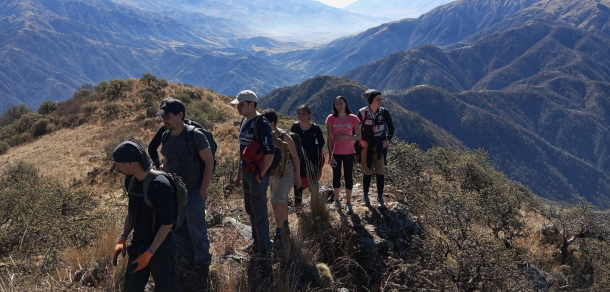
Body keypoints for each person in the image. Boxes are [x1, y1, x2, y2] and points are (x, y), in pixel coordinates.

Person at [155, 98, 214, 290]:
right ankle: (188, 263)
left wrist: (203, 191)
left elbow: (209, 163)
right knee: (179, 232)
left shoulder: (195, 136)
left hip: (194, 193)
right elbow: (166, 161)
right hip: (175, 195)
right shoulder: (166, 136)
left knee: (197, 232)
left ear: (180, 115)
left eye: (168, 116)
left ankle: (203, 266)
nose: (165, 120)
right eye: (163, 116)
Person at [112, 141, 177, 292]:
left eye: (118, 164)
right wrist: (122, 238)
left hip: (161, 249)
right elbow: (132, 213)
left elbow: (167, 224)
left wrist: (150, 253)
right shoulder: (131, 181)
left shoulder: (160, 184)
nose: (116, 169)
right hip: (138, 245)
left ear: (130, 163)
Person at [232, 90, 275, 255]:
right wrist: (239, 174)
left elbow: (270, 153)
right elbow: (242, 151)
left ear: (252, 104)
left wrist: (261, 174)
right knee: (251, 210)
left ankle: (264, 249)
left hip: (257, 175)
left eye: (241, 105)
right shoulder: (244, 120)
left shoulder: (261, 123)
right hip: (246, 172)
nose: (238, 108)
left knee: (259, 212)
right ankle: (256, 242)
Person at [262, 109, 301, 245]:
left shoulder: (285, 137)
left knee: (275, 200)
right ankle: (285, 226)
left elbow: (295, 157)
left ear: (272, 123)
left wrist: (298, 176)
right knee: (282, 199)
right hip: (274, 172)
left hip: (287, 172)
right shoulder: (266, 136)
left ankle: (278, 233)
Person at [357, 89, 395, 208]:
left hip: (380, 146)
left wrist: (388, 140)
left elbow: (392, 128)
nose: (380, 101)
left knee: (380, 172)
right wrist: (360, 140)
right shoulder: (362, 113)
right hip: (366, 146)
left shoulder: (384, 113)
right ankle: (365, 197)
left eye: (381, 99)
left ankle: (379, 197)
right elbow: (355, 128)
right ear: (371, 100)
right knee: (367, 171)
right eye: (378, 99)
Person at [325, 96, 362, 215]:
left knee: (348, 176)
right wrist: (330, 155)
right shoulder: (331, 118)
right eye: (337, 103)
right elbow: (329, 138)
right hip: (336, 152)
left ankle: (348, 202)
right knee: (336, 176)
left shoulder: (353, 118)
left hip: (349, 152)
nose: (339, 105)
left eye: (341, 102)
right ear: (334, 106)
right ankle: (336, 200)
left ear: (345, 103)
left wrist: (345, 137)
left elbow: (359, 137)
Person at [290, 105, 325, 206]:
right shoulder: (295, 127)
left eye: (304, 113)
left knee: (313, 181)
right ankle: (297, 205)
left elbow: (322, 142)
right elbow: (291, 140)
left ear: (309, 114)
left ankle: (315, 205)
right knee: (298, 180)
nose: (301, 116)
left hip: (312, 159)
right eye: (299, 114)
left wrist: (313, 150)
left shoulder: (315, 128)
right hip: (298, 158)